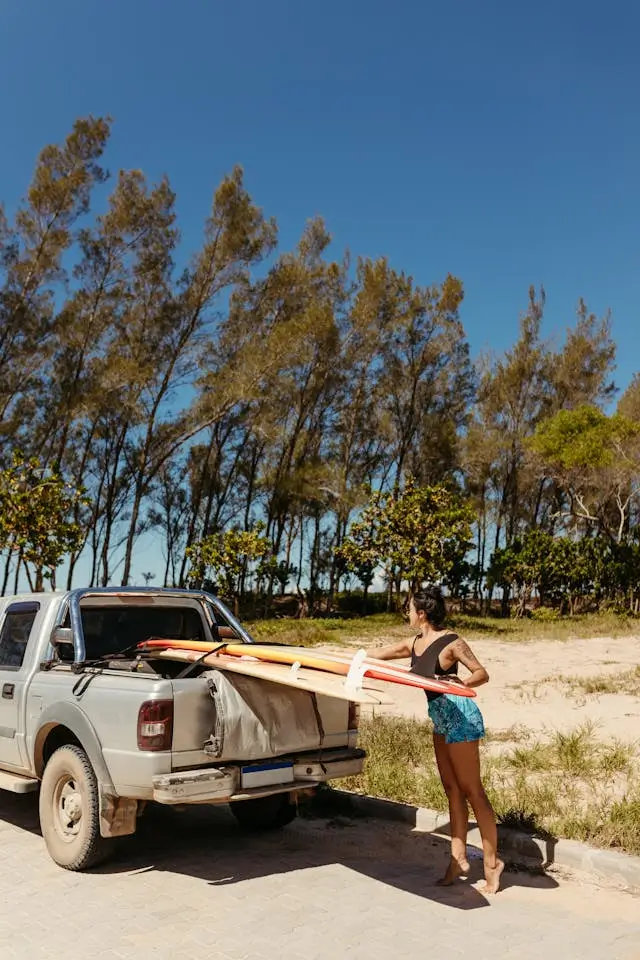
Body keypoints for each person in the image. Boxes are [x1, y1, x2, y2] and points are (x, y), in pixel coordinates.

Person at [366, 585, 504, 894]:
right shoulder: (413, 644)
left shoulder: (451, 642)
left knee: (472, 790)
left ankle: (493, 864)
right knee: (451, 789)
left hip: (461, 715)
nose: (407, 613)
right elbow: (378, 654)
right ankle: (457, 859)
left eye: (409, 608)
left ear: (422, 613)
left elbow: (482, 673)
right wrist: (351, 658)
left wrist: (459, 683)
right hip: (440, 718)